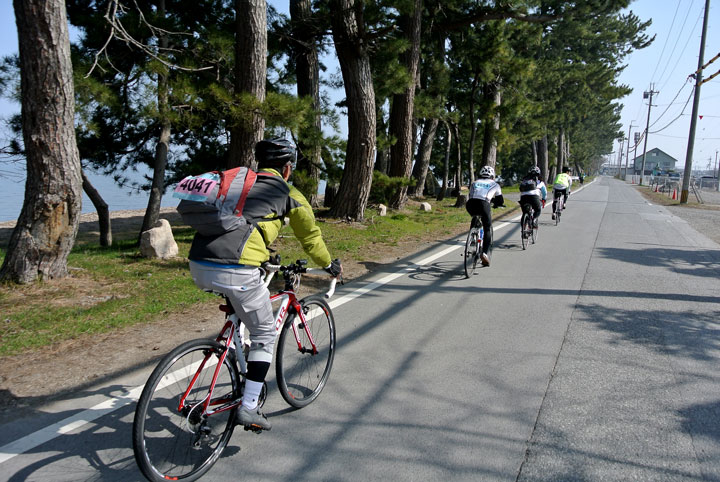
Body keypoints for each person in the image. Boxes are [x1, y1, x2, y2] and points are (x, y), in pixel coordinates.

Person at [187, 138, 342, 431]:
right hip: (235, 267)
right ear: (287, 169)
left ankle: (235, 358)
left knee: (242, 318)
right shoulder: (288, 192)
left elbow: (242, 224)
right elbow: (310, 238)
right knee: (264, 335)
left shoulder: (241, 185)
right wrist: (328, 264)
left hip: (198, 262)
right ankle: (248, 408)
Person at [465, 165, 504, 267]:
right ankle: (485, 253)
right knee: (487, 228)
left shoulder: (475, 183)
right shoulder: (495, 184)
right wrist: (496, 203)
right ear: (492, 176)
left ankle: (473, 237)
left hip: (470, 203)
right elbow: (500, 201)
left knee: (475, 217)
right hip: (484, 204)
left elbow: (472, 194)